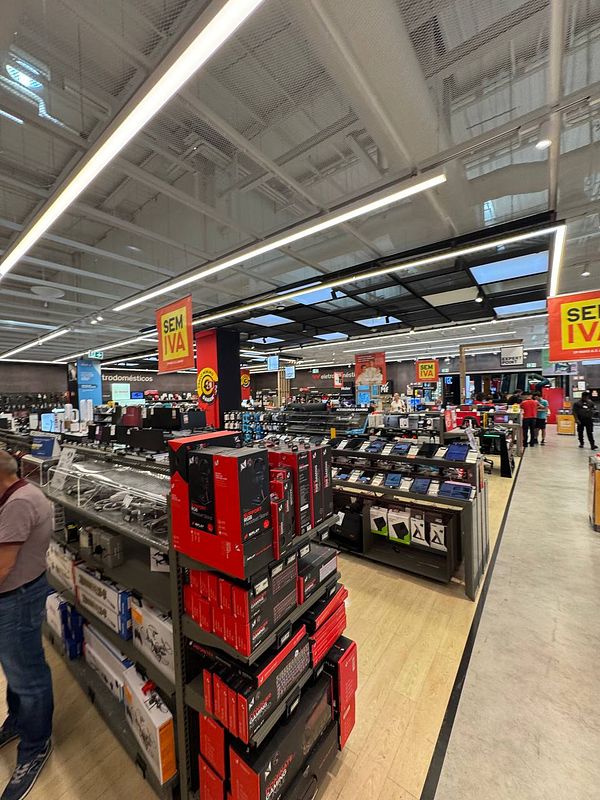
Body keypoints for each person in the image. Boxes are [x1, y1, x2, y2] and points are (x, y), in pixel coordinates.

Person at [0, 451, 53, 800]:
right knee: (16, 666)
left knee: (27, 674)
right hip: (20, 593)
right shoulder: (23, 494)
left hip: (16, 597)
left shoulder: (19, 504)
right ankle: (18, 721)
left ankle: (35, 746)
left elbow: (2, 567)